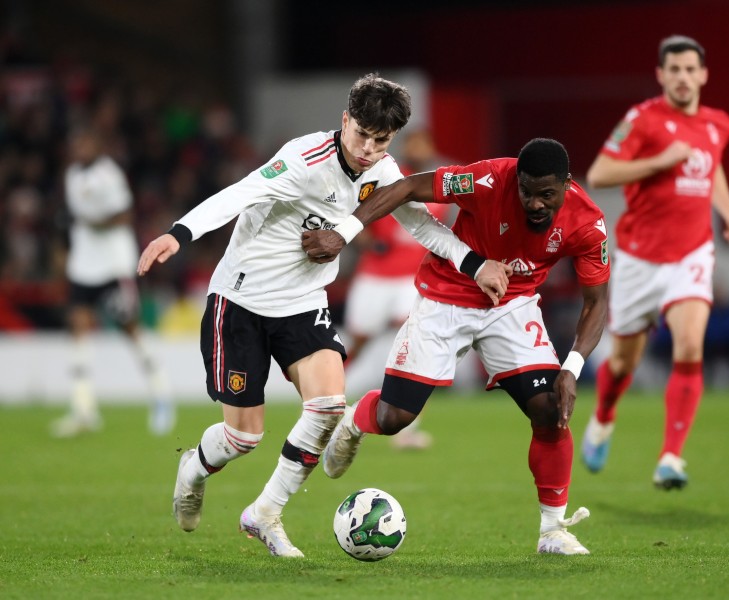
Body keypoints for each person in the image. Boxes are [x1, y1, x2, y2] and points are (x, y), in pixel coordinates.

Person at [136, 74, 509, 558]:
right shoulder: (303, 160)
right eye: (362, 135)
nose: (369, 150)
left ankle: (265, 514)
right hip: (242, 300)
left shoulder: (383, 171)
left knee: (329, 407)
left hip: (303, 303)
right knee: (242, 437)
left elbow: (421, 225)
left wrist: (474, 264)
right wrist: (179, 233)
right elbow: (240, 193)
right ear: (345, 120)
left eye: (381, 140)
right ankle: (194, 469)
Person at [302, 138, 611, 555]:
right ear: (516, 181)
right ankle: (354, 423)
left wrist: (571, 368)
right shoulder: (488, 179)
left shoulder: (587, 223)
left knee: (551, 411)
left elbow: (596, 303)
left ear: (567, 184)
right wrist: (344, 234)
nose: (535, 203)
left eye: (547, 194)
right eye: (527, 192)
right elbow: (407, 187)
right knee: (395, 418)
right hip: (447, 295)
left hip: (512, 305)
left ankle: (552, 531)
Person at [580, 35, 729, 489]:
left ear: (703, 74)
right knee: (622, 364)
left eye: (690, 69)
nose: (683, 77)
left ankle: (671, 457)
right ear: (661, 74)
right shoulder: (642, 119)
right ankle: (603, 416)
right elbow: (600, 173)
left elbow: (712, 167)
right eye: (674, 69)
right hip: (640, 258)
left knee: (690, 345)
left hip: (692, 252)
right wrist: (660, 161)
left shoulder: (718, 123)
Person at [52, 126, 175, 438]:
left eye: (85, 142)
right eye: (76, 142)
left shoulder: (109, 175)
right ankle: (83, 409)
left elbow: (124, 215)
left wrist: (93, 222)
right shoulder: (72, 175)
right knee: (78, 327)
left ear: (97, 145)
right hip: (84, 265)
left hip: (113, 265)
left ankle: (161, 394)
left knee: (129, 328)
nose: (80, 148)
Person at [342, 129, 455, 450]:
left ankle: (408, 426)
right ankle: (324, 401)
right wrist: (366, 241)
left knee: (417, 343)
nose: (419, 149)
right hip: (375, 276)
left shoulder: (439, 186)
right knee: (358, 341)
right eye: (414, 144)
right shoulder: (386, 177)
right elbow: (356, 215)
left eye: (424, 144)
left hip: (412, 280)